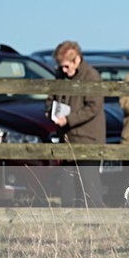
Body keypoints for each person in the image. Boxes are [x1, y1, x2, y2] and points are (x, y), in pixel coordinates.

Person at [47, 40, 105, 208]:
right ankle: (68, 219)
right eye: (61, 67)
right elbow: (50, 97)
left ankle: (95, 218)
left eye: (66, 66)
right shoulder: (60, 76)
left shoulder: (91, 76)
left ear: (76, 60)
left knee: (89, 185)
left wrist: (69, 119)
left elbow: (93, 106)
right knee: (67, 186)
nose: (64, 70)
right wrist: (50, 111)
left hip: (88, 138)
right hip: (66, 139)